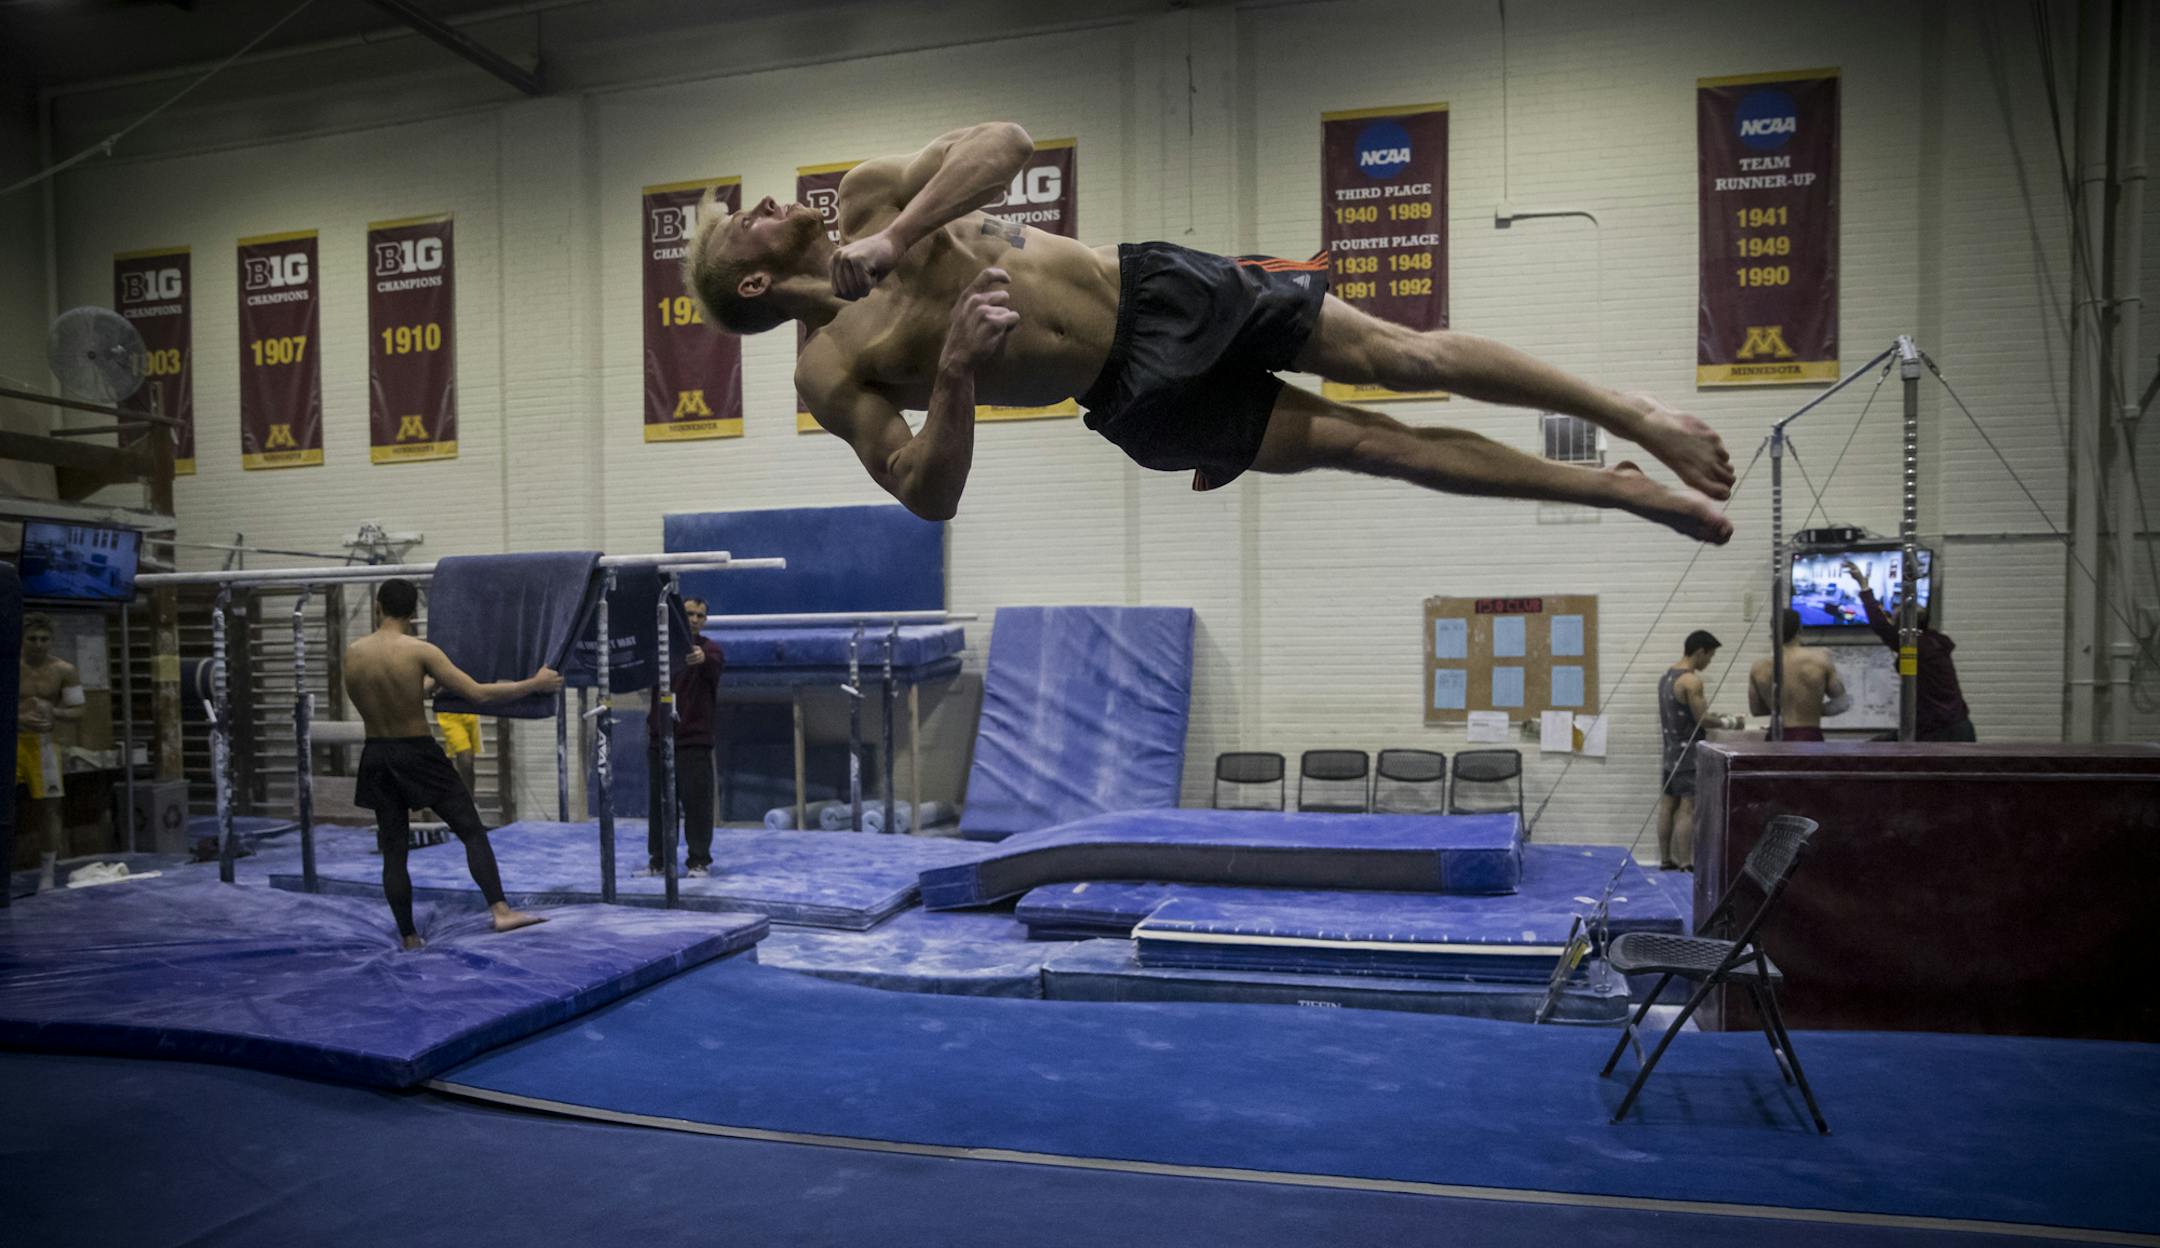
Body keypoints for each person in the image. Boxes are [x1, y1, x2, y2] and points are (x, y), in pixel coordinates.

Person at [684, 123, 1735, 542]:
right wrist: (953, 372)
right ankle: (1616, 490)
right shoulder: (829, 373)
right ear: (757, 276)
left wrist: (908, 233)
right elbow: (927, 492)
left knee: (1404, 358)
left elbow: (1002, 143)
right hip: (1137, 400)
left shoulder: (871, 198)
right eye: (754, 220)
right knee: (1381, 450)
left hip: (1161, 291)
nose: (775, 202)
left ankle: (1630, 414)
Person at [341, 579, 556, 950]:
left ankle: (408, 936)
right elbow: (478, 693)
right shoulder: (420, 650)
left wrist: (422, 689)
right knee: (471, 829)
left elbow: (382, 694)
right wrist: (534, 683)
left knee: (394, 849)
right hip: (417, 752)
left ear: (378, 606)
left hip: (376, 752)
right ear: (413, 612)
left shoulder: (354, 653)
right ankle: (501, 911)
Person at [1842, 558, 1975, 741]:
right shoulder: (1935, 641)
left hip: (1938, 731)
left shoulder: (1913, 645)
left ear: (1903, 628)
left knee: (1872, 748)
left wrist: (1864, 585)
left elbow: (1880, 625)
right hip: (1957, 726)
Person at [644, 596, 725, 878]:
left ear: (705, 621)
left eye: (700, 616)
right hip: (660, 738)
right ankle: (659, 860)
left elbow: (712, 661)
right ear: (680, 615)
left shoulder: (710, 650)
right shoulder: (661, 648)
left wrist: (702, 659)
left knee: (697, 804)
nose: (694, 620)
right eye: (689, 614)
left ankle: (698, 861)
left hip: (694, 741)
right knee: (659, 805)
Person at [1656, 629, 1742, 871]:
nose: (1709, 662)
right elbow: (1703, 719)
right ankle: (1685, 862)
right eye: (1710, 656)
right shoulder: (1691, 681)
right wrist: (1731, 722)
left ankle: (1665, 859)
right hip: (1688, 754)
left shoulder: (1666, 678)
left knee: (1668, 804)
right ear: (1700, 651)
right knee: (1687, 806)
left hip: (1670, 750)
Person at [14, 614, 82, 865]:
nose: (39, 644)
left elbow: (78, 710)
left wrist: (54, 711)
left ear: (51, 641)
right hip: (12, 741)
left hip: (42, 744)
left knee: (50, 807)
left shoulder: (64, 670)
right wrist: (17, 717)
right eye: (32, 639)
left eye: (44, 639)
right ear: (22, 640)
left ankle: (47, 873)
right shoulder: (9, 665)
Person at [1748, 609, 1849, 742]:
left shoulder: (1759, 667)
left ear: (1773, 631)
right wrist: (1812, 708)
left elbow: (1756, 710)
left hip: (1776, 737)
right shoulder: (1820, 661)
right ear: (1800, 629)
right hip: (1808, 736)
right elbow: (1842, 704)